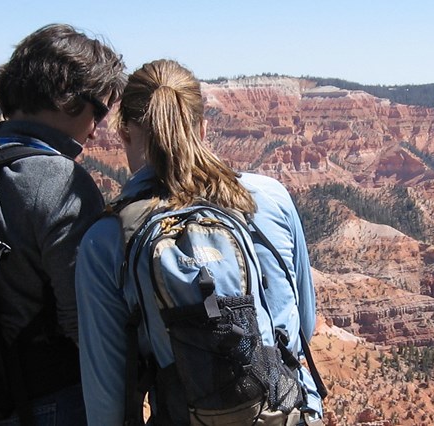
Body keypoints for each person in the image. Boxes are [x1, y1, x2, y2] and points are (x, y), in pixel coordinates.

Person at [75, 59, 323, 424]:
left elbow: (107, 401)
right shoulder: (270, 198)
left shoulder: (106, 240)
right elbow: (304, 323)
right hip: (288, 414)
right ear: (203, 128)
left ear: (124, 133)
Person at [0, 23, 125, 424]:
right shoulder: (59, 180)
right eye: (98, 111)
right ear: (69, 99)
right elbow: (86, 324)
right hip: (48, 399)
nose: (96, 131)